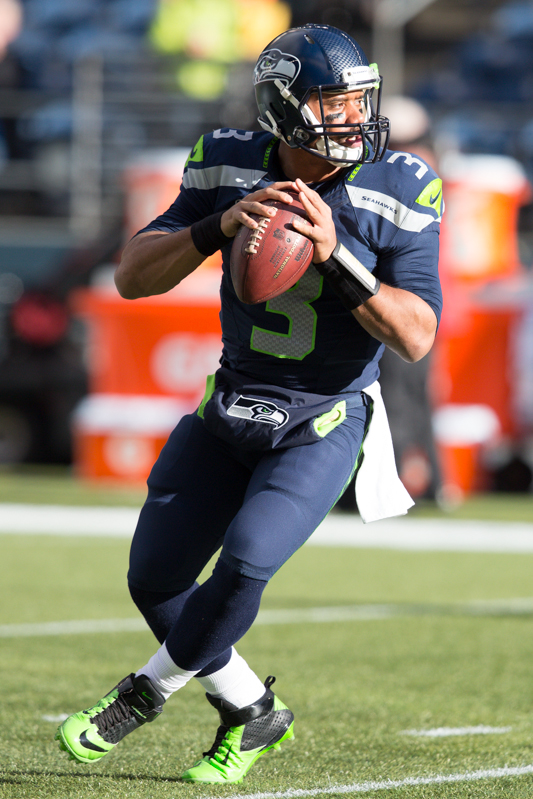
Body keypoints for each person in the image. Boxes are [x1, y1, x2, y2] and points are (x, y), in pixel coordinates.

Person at [56, 23, 443, 784]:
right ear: (283, 107)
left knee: (245, 559)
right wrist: (213, 227)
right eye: (331, 103)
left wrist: (336, 257)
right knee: (154, 578)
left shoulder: (399, 181)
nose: (351, 119)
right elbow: (132, 276)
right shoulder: (224, 159)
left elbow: (417, 335)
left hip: (325, 413)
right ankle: (249, 711)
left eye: (356, 101)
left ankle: (144, 690)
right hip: (232, 396)